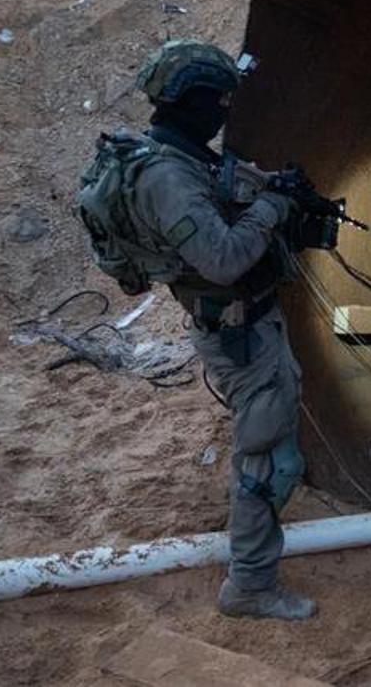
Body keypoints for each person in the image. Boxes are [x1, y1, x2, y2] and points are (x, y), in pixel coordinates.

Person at [79, 40, 316, 620]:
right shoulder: (166, 176)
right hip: (239, 333)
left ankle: (251, 554)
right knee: (265, 461)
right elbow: (223, 259)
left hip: (245, 326)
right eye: (219, 100)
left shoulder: (172, 155)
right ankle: (251, 585)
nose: (224, 111)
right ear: (190, 101)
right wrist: (272, 210)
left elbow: (218, 198)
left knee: (270, 446)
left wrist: (269, 189)